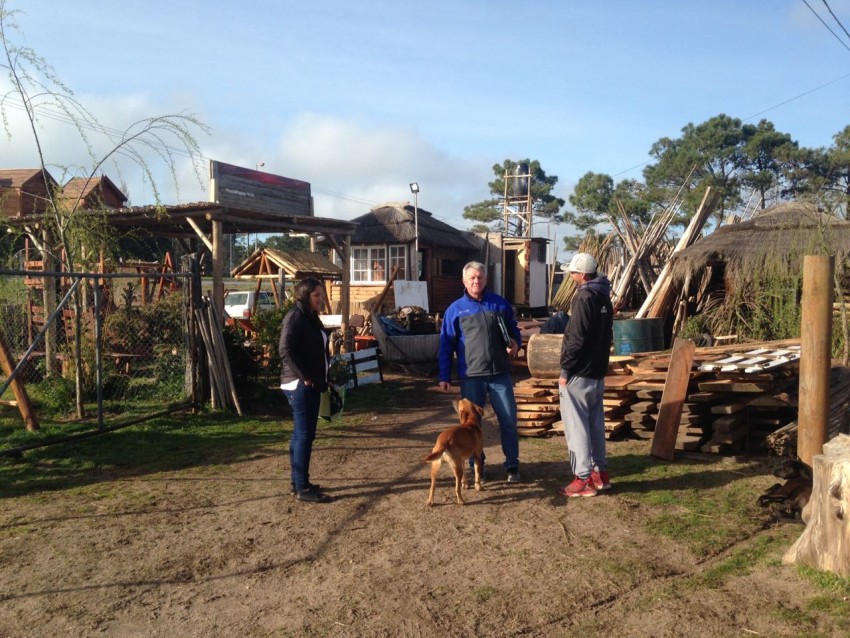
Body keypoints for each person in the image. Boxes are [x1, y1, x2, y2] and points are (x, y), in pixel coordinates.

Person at [437, 261, 522, 483]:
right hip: (471, 376)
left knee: (508, 420)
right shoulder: (455, 310)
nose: (477, 281)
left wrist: (515, 343)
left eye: (480, 277)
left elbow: (513, 330)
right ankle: (478, 467)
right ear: (464, 281)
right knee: (470, 426)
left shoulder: (499, 304)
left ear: (486, 279)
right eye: (472, 278)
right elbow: (446, 344)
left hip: (499, 374)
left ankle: (512, 465)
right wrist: (444, 376)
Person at [557, 252, 614, 498]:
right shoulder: (604, 296)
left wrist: (565, 369)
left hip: (579, 373)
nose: (570, 276)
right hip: (597, 373)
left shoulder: (583, 297)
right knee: (595, 425)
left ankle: (583, 478)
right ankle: (600, 473)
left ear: (581, 274)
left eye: (572, 272)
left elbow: (577, 338)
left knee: (576, 427)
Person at [279, 277, 332, 503]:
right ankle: (302, 488)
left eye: (321, 294)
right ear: (305, 296)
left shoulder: (309, 317)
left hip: (309, 383)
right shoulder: (295, 317)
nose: (320, 299)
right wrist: (306, 377)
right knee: (304, 435)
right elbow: (285, 350)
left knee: (303, 434)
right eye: (316, 295)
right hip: (299, 384)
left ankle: (299, 482)